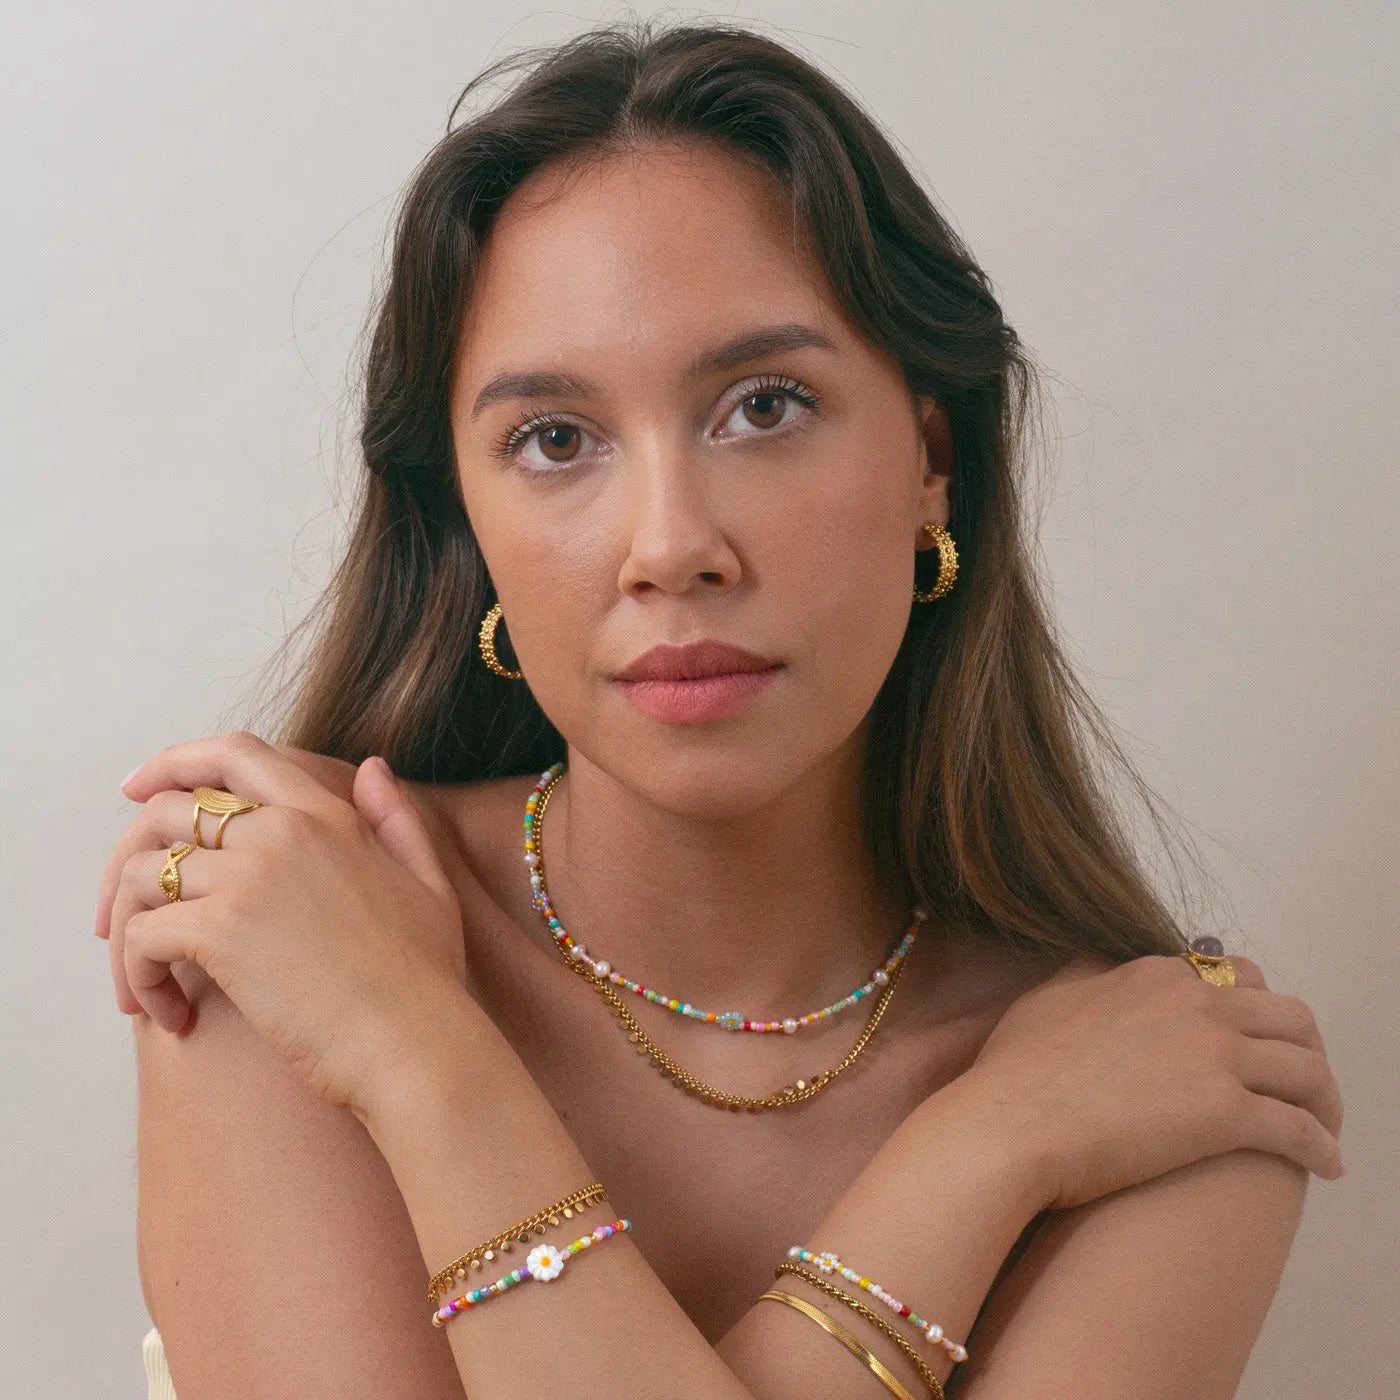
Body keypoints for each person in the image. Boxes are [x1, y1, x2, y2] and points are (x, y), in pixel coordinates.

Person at [94, 18, 1344, 1400]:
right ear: (467, 521)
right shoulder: (295, 910)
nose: (671, 545)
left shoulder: (1163, 1076)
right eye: (554, 440)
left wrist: (416, 1062)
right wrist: (981, 1159)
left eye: (765, 407)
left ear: (931, 461)